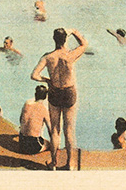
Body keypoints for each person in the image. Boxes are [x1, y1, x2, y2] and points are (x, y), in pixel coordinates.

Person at [31, 27, 88, 170]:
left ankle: (53, 163)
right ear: (65, 39)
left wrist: (47, 80)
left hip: (55, 91)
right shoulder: (70, 55)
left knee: (55, 130)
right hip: (69, 92)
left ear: (53, 39)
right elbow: (84, 44)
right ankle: (70, 163)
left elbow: (34, 75)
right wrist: (74, 31)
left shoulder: (47, 57)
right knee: (69, 129)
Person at [18, 85, 51, 155]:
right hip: (33, 146)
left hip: (21, 142)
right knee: (48, 144)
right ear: (45, 97)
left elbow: (21, 119)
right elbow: (50, 130)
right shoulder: (43, 109)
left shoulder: (27, 104)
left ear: (35, 94)